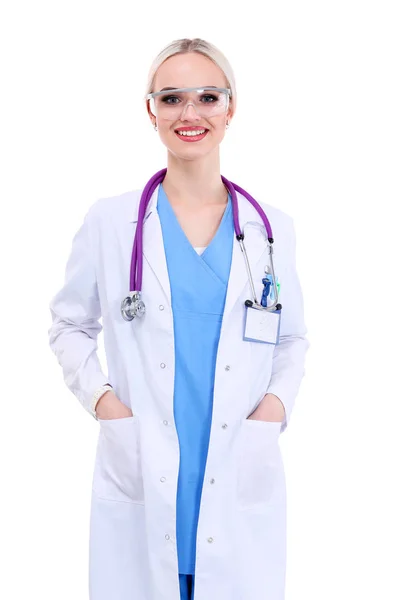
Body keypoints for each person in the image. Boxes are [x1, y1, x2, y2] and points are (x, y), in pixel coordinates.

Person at [48, 37, 309, 600]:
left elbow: (291, 340)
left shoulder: (271, 230)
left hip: (239, 469)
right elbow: (68, 324)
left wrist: (274, 410)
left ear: (230, 107)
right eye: (171, 99)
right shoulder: (113, 223)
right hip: (143, 469)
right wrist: (105, 403)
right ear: (151, 110)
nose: (189, 114)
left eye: (207, 97)